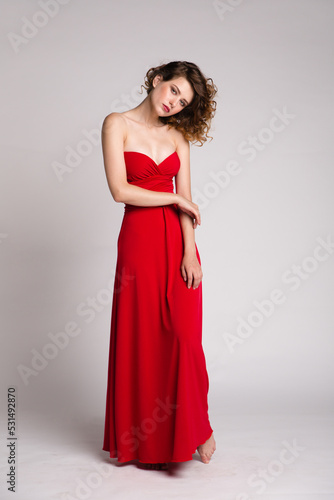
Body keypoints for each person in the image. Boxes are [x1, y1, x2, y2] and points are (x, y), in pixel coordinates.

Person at [101, 60, 218, 471]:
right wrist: (172, 199)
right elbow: (120, 190)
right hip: (139, 242)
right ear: (156, 80)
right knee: (143, 338)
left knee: (185, 337)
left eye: (182, 101)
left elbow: (188, 200)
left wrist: (190, 251)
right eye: (173, 91)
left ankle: (197, 426)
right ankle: (143, 443)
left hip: (176, 244)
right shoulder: (117, 124)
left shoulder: (178, 139)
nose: (174, 103)